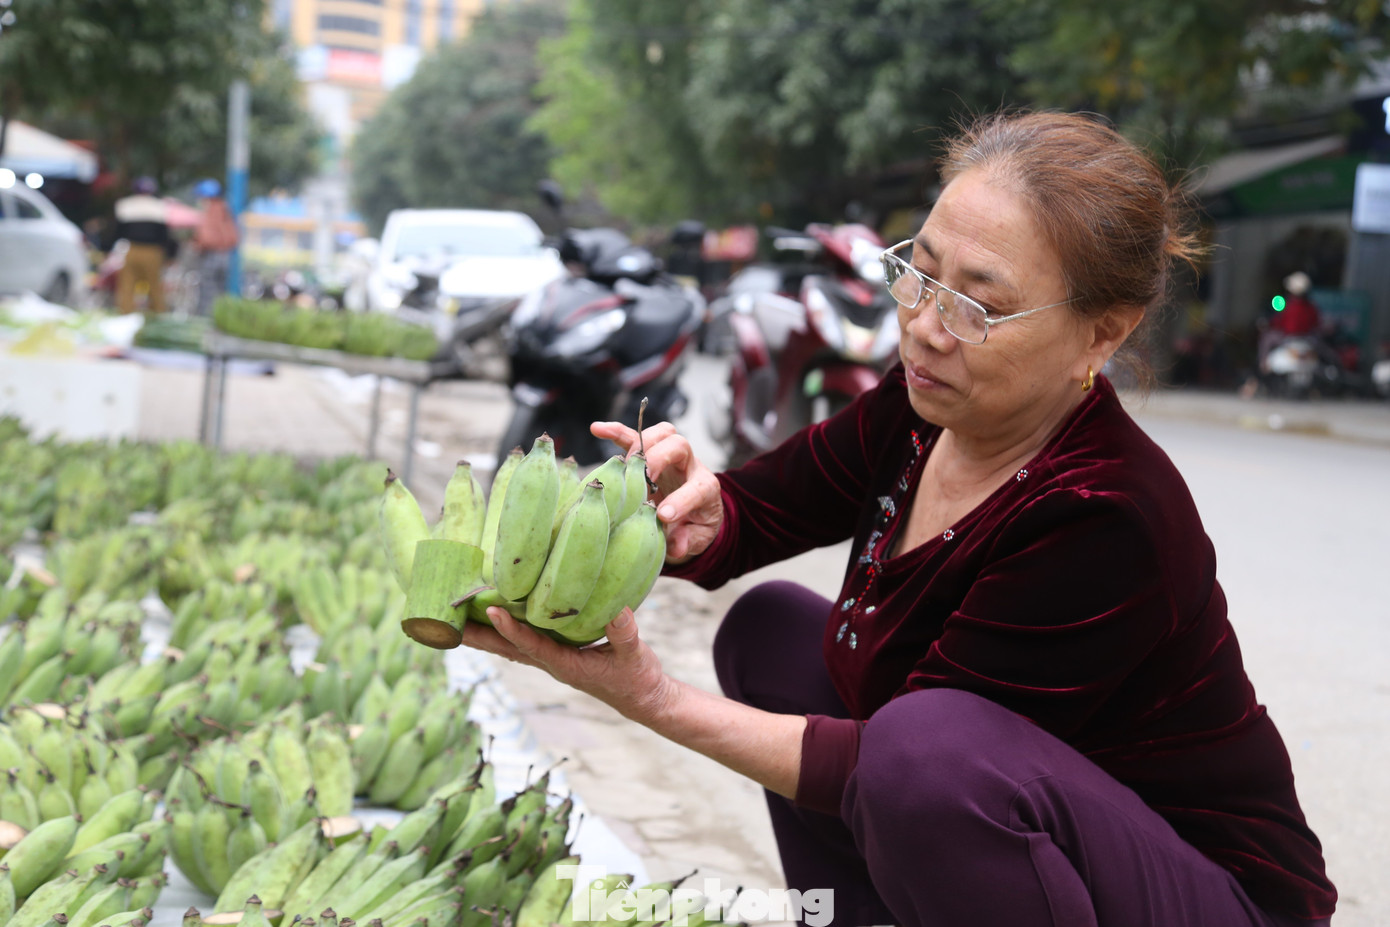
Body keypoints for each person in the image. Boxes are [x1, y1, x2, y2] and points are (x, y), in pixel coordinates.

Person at [460, 112, 1336, 927]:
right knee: (772, 634)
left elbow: (900, 764)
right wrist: (685, 510)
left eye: (978, 304)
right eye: (921, 273)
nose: (922, 327)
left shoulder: (1107, 512)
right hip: (1015, 835)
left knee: (922, 752)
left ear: (1102, 334)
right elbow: (769, 502)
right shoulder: (926, 407)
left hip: (1205, 891)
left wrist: (649, 697)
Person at [113, 176, 172, 314]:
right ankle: (158, 314)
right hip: (153, 252)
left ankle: (125, 314)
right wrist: (169, 255)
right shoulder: (160, 207)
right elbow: (164, 235)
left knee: (127, 285)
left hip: (133, 249)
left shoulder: (125, 205)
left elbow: (117, 232)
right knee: (155, 285)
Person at [192, 178, 239, 316]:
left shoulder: (208, 209)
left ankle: (206, 321)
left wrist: (197, 244)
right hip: (226, 256)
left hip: (211, 255)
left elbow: (205, 237)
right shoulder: (226, 208)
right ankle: (220, 317)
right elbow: (233, 236)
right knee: (222, 292)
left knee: (207, 292)